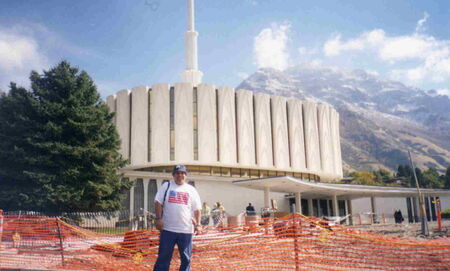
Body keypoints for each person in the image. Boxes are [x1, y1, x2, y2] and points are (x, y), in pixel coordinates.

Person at [153, 165, 202, 271]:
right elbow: (158, 202)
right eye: (177, 173)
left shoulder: (191, 190)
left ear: (186, 175)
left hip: (186, 231)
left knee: (186, 259)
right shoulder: (166, 186)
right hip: (168, 230)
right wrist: (158, 218)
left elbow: (197, 209)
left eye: (182, 173)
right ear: (173, 175)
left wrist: (198, 224)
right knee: (163, 258)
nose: (180, 175)